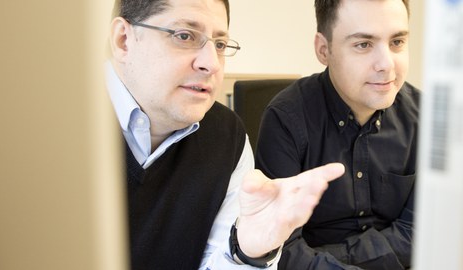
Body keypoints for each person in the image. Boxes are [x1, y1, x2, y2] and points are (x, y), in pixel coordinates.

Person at [105, 0, 345, 269]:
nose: (212, 64)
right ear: (123, 40)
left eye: (219, 45)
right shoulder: (60, 124)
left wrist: (247, 250)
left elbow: (217, 261)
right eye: (184, 36)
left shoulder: (227, 135)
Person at [255, 0, 418, 269]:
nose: (387, 65)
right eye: (364, 45)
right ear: (323, 49)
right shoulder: (285, 118)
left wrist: (329, 258)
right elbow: (281, 250)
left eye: (397, 42)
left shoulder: (424, 117)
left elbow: (419, 234)